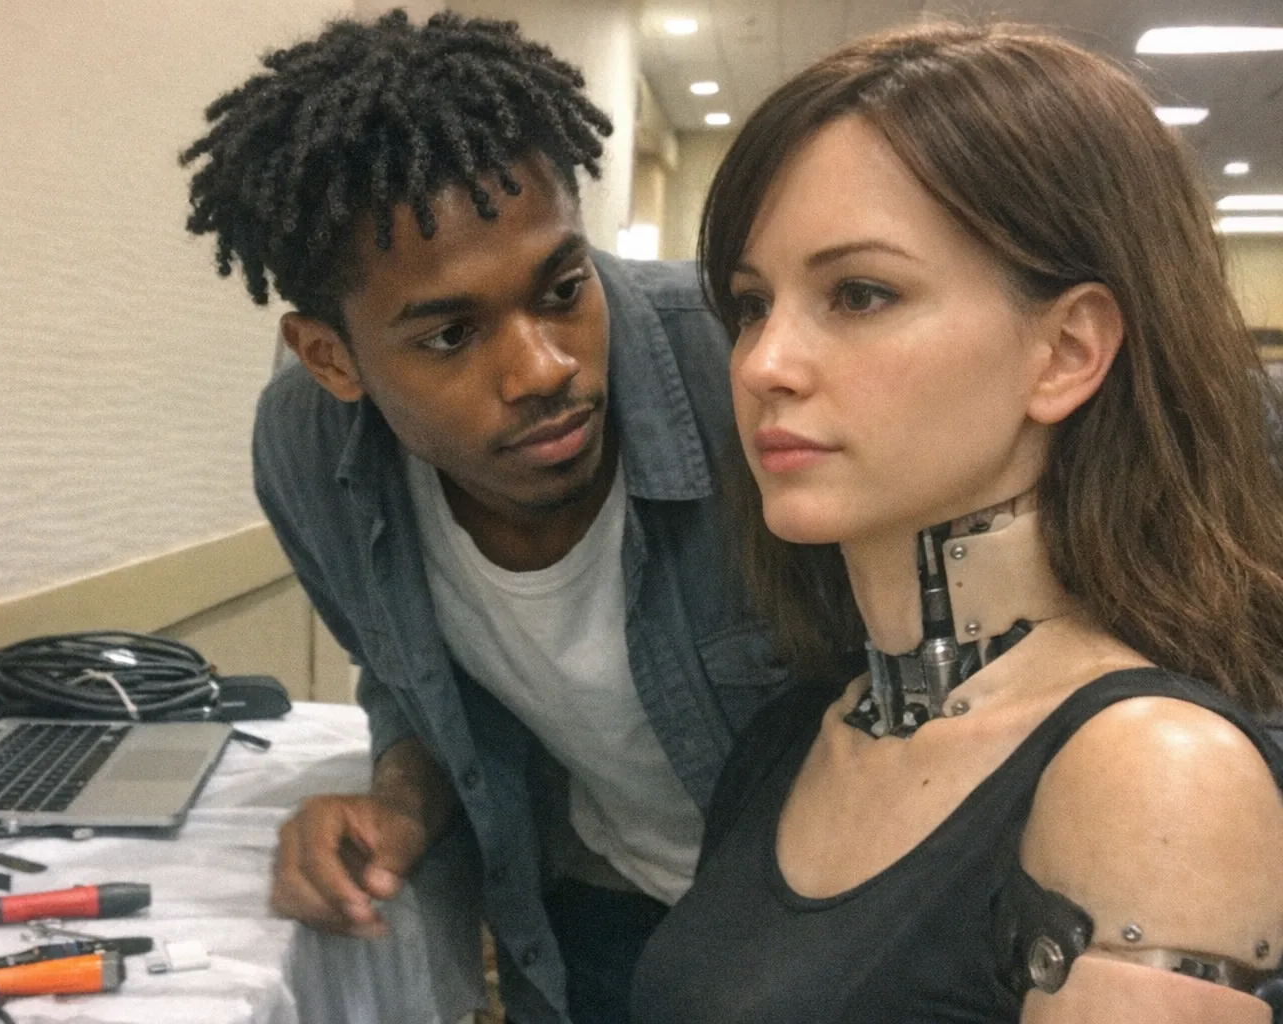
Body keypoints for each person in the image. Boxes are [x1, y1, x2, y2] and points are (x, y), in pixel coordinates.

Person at [630, 22, 1283, 1024]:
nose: (763, 364)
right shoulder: (788, 739)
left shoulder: (1156, 773)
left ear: (1066, 352)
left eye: (860, 294)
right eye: (752, 304)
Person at [180, 11, 794, 1023]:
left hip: (836, 929)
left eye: (562, 290)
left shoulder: (743, 368)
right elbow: (411, 681)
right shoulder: (306, 454)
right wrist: (399, 806)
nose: (543, 369)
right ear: (330, 358)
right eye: (450, 335)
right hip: (593, 913)